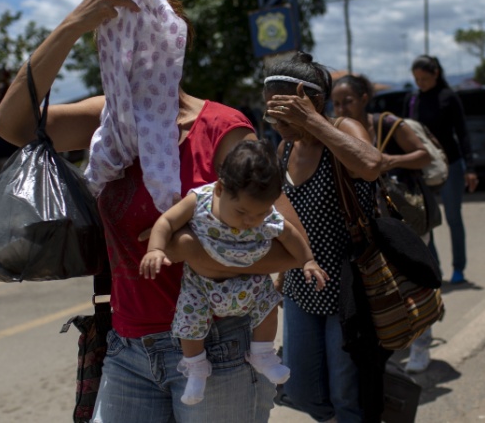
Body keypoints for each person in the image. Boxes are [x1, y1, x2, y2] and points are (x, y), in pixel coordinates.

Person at [0, 0, 301, 422]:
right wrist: (70, 26)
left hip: (218, 347)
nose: (128, 56)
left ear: (171, 46)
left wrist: (187, 250)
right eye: (113, 41)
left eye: (142, 40)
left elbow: (284, 247)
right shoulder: (108, 124)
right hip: (128, 346)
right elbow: (12, 126)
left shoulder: (221, 129)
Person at [141, 140, 327, 405]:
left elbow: (290, 233)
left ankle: (263, 354)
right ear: (220, 189)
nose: (250, 221)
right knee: (189, 322)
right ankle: (195, 370)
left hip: (251, 284)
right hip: (203, 287)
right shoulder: (200, 200)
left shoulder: (267, 215)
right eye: (241, 211)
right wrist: (155, 249)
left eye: (259, 213)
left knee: (269, 305)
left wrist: (308, 261)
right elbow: (167, 221)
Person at [263, 53, 387, 423]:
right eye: (272, 116)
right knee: (302, 389)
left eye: (285, 115)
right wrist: (283, 276)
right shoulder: (285, 150)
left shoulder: (344, 130)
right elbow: (286, 220)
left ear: (312, 102)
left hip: (349, 286)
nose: (279, 125)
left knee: (346, 392)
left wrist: (315, 124)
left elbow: (371, 165)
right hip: (303, 284)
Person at [329, 73, 437, 374]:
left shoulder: (388, 124)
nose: (341, 109)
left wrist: (391, 161)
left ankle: (421, 343)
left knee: (415, 282)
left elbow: (423, 155)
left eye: (347, 101)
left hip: (403, 219)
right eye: (336, 103)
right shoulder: (340, 133)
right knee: (387, 290)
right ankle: (396, 340)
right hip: (372, 226)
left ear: (364, 98)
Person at [409, 55, 478, 284]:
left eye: (425, 78)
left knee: (452, 217)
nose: (421, 83)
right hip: (423, 169)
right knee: (426, 220)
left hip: (452, 166)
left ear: (436, 74)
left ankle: (459, 267)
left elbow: (463, 132)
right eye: (417, 79)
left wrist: (471, 167)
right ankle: (434, 268)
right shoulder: (412, 100)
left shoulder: (449, 97)